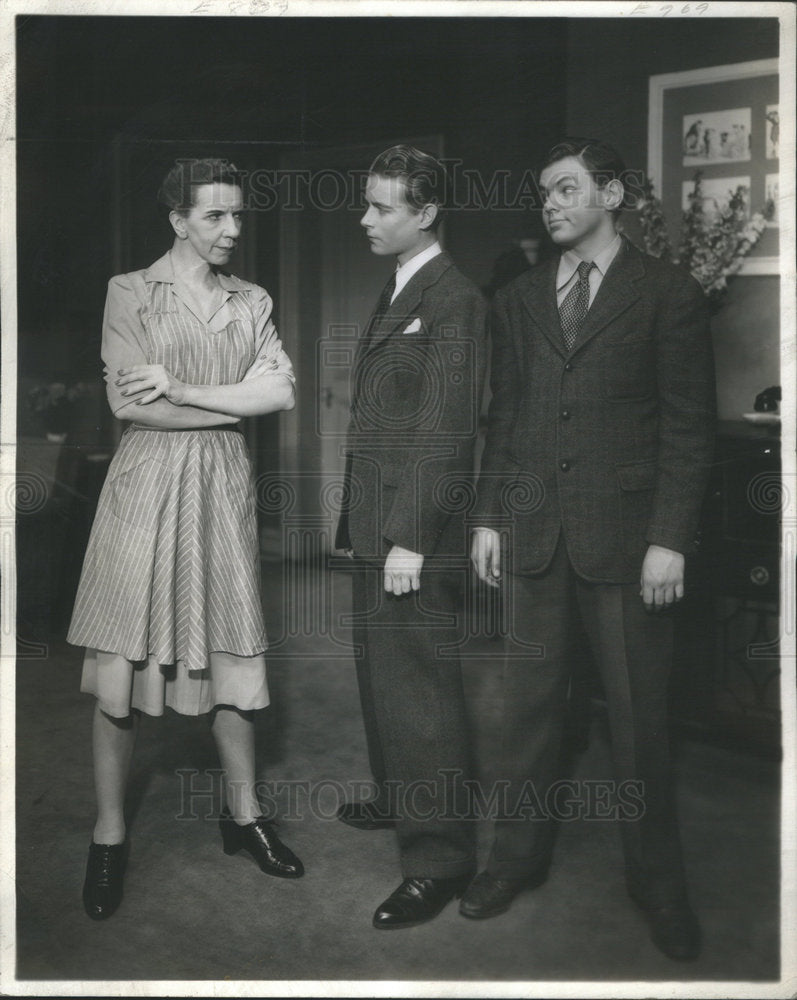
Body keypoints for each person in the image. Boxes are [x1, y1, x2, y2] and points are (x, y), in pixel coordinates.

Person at [465, 138, 715, 961]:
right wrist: (490, 517)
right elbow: (507, 416)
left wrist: (667, 541)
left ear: (610, 195)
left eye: (566, 189)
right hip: (533, 536)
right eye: (543, 192)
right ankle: (513, 862)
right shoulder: (520, 295)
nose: (550, 203)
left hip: (626, 545)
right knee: (523, 720)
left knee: (640, 728)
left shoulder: (666, 292)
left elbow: (686, 426)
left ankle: (660, 887)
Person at [68, 158, 303, 921]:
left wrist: (185, 388)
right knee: (121, 665)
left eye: (238, 215)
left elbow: (281, 392)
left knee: (234, 653)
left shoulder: (252, 299)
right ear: (177, 220)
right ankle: (109, 835)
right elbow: (132, 409)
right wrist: (231, 406)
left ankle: (244, 816)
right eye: (215, 217)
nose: (233, 229)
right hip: (143, 493)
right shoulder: (129, 293)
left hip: (221, 494)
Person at [335, 145, 487, 928]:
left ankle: (438, 859)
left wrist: (410, 537)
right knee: (381, 677)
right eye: (366, 203)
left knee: (419, 691)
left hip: (409, 532)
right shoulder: (403, 286)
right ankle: (401, 799)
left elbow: (448, 427)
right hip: (377, 523)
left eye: (381, 207)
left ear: (424, 213)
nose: (365, 218)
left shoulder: (453, 297)